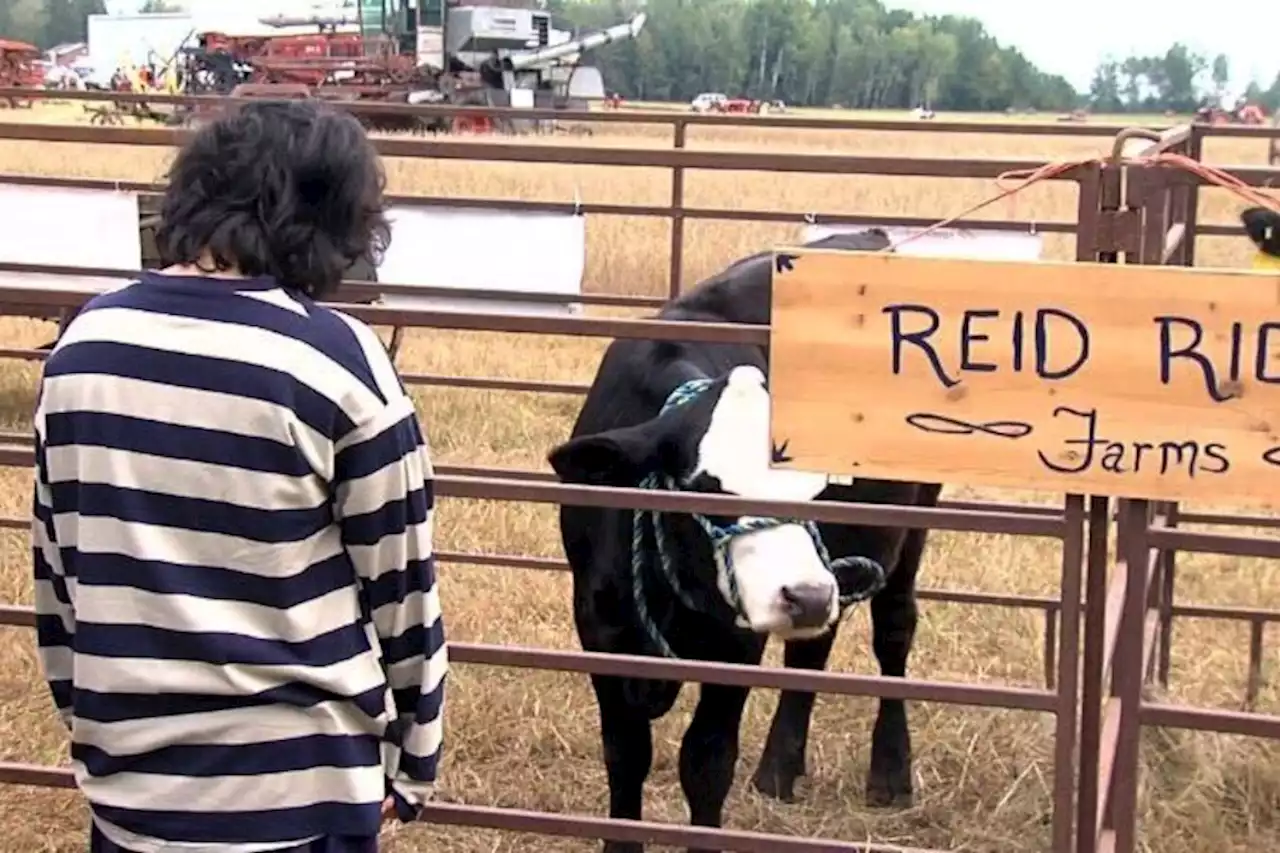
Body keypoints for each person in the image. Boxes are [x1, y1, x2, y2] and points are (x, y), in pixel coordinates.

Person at [30, 99, 447, 853]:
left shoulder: (79, 350)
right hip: (302, 796)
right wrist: (413, 762)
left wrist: (101, 733)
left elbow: (59, 581)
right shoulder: (337, 362)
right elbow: (403, 591)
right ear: (327, 220)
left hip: (132, 800)